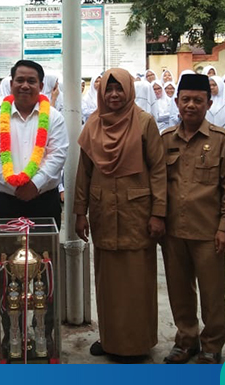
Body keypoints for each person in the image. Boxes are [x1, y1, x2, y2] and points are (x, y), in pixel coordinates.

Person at [74, 68, 166, 363]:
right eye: (108, 90)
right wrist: (80, 212)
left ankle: (137, 343)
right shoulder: (92, 124)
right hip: (103, 213)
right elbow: (84, 172)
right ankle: (111, 339)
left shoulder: (144, 122)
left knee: (137, 282)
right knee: (107, 282)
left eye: (119, 89)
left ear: (129, 90)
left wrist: (158, 213)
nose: (114, 95)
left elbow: (159, 170)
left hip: (137, 214)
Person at [159, 74, 225, 364]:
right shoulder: (166, 139)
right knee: (179, 291)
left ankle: (212, 344)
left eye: (198, 100)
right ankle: (186, 340)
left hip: (208, 231)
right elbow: (158, 184)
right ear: (177, 102)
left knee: (212, 292)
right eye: (185, 100)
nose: (190, 105)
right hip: (173, 230)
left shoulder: (222, 140)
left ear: (209, 103)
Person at [0, 60, 68, 229]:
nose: (25, 86)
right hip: (8, 201)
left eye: (31, 81)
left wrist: (35, 185)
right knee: (8, 253)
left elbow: (58, 155)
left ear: (41, 85)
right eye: (20, 80)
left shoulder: (54, 117)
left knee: (46, 253)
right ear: (11, 83)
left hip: (44, 200)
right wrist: (15, 187)